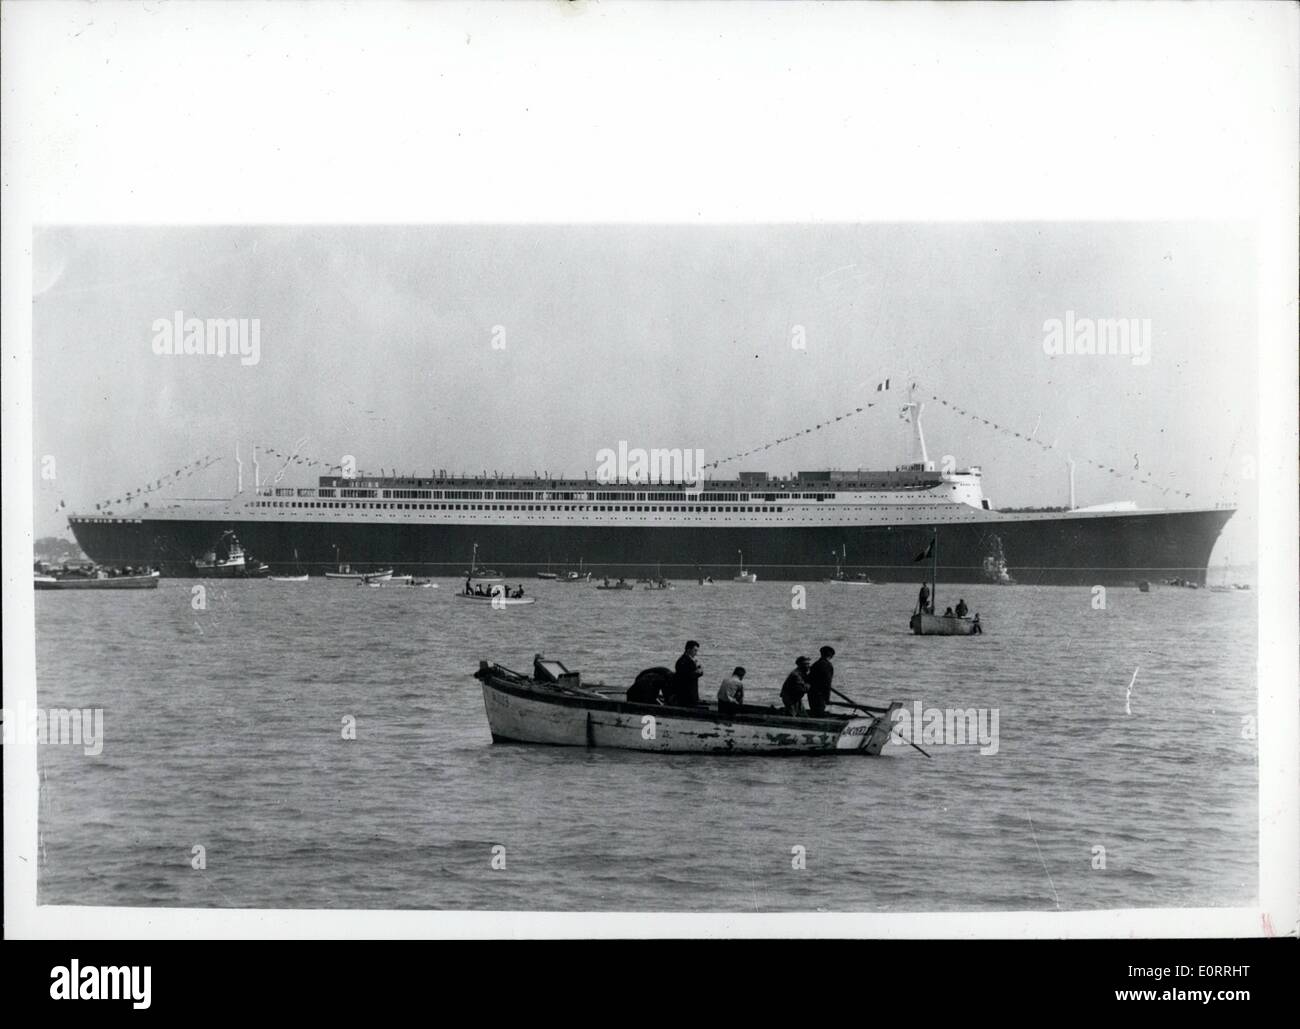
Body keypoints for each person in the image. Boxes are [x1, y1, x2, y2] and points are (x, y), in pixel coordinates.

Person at [670, 640, 704, 706]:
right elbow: (685, 676)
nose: (696, 653)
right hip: (687, 695)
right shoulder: (683, 661)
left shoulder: (686, 660)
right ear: (688, 650)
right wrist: (699, 672)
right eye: (695, 650)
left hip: (689, 694)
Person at [807, 645, 835, 716]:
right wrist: (827, 698)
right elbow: (827, 682)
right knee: (819, 712)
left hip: (811, 693)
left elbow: (809, 679)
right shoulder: (827, 665)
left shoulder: (815, 664)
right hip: (820, 694)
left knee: (814, 711)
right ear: (831, 656)